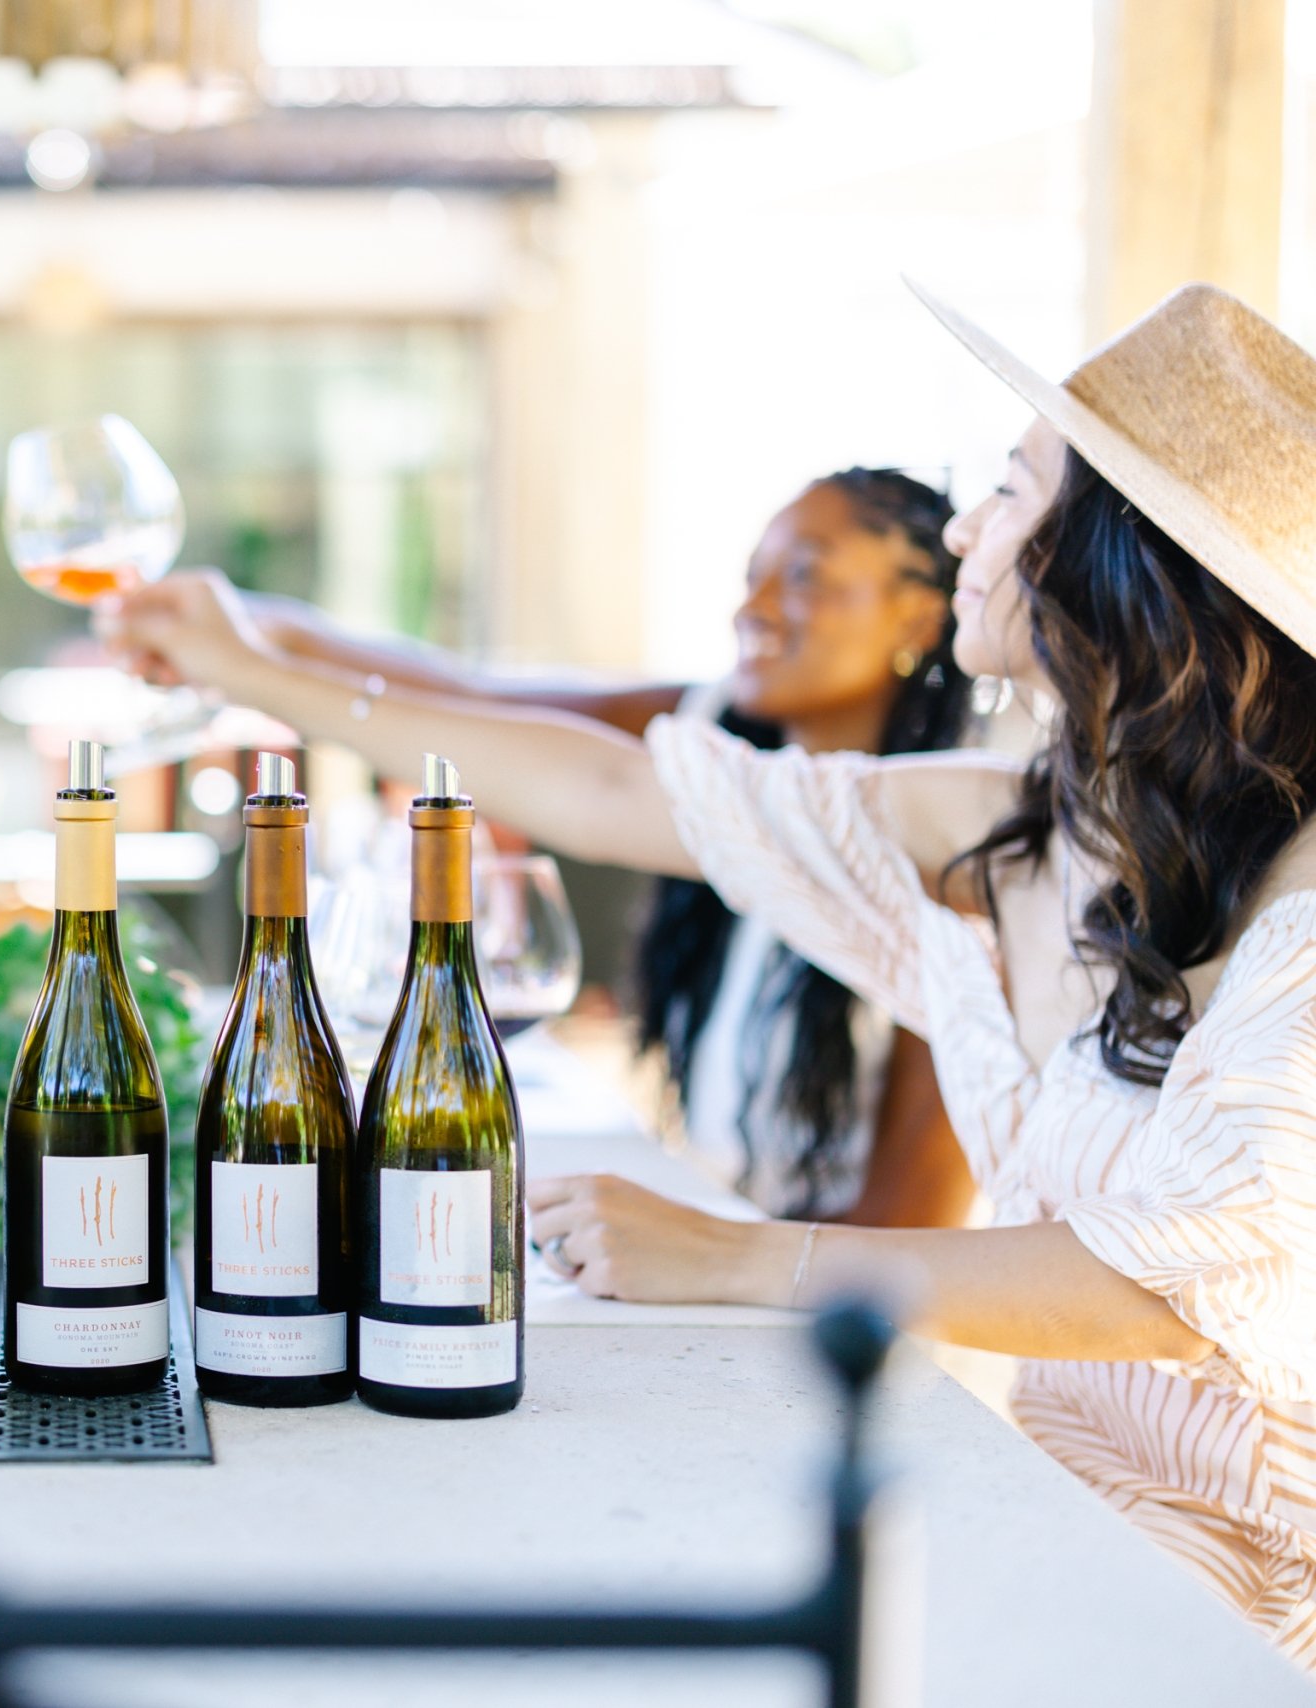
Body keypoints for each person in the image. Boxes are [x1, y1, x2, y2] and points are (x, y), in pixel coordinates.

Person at [110, 282, 1316, 1659]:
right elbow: (621, 790)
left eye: (1008, 489)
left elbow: (1160, 1293)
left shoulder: (1303, 908)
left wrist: (738, 1255)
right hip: (1049, 1535)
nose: (965, 532)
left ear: (1123, 565)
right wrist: (251, 670)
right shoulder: (1019, 829)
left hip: (1237, 1619)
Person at [113, 469, 979, 1227]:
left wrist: (701, 1255)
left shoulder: (954, 855)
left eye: (802, 576)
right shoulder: (722, 734)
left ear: (918, 616)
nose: (749, 610)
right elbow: (482, 704)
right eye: (751, 578)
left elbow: (909, 1235)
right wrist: (262, 632)